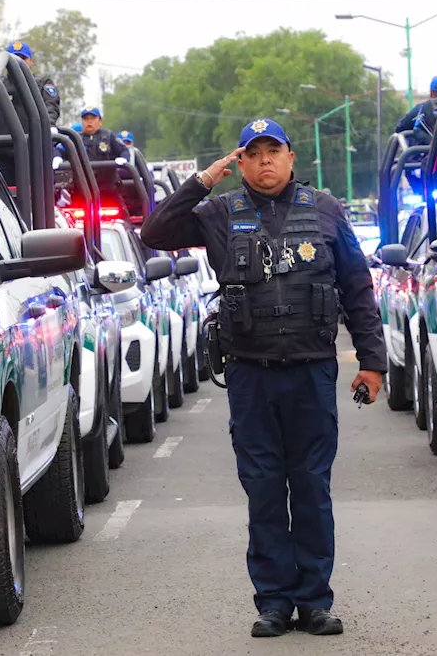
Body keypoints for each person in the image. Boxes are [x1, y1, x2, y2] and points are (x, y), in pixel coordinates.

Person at [138, 118, 386, 638]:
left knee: (312, 487)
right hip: (251, 375)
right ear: (241, 162)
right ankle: (273, 601)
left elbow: (357, 286)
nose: (266, 161)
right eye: (254, 153)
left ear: (292, 158)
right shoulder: (218, 213)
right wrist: (203, 180)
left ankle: (315, 601)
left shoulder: (325, 210)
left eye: (275, 151)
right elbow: (155, 232)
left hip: (312, 371)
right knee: (265, 489)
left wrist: (372, 361)